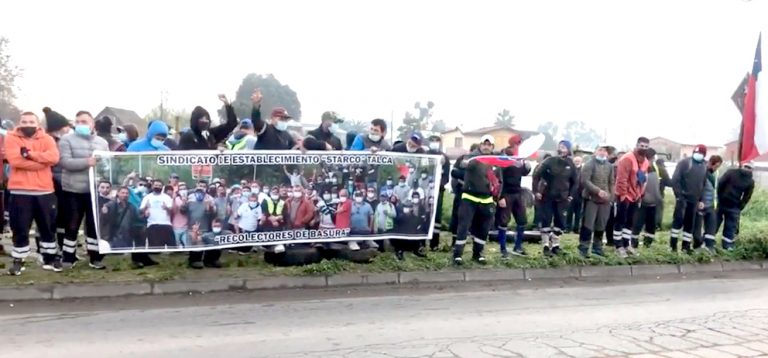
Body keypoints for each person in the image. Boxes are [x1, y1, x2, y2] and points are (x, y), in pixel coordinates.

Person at [178, 94, 237, 268]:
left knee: (214, 222)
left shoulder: (210, 135)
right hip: (196, 183)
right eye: (201, 119)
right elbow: (181, 158)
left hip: (211, 182)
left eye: (207, 118)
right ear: (195, 120)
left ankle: (212, 257)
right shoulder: (188, 137)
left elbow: (231, 124)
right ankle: (195, 258)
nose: (205, 121)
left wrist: (228, 105)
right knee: (198, 224)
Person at [5, 112, 61, 275]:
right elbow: (15, 161)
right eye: (24, 121)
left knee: (47, 226)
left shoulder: (48, 139)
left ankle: (50, 258)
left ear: (37, 124)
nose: (28, 124)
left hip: (44, 190)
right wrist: (42, 163)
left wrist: (30, 155)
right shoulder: (11, 138)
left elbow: (54, 158)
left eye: (31, 121)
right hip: (19, 190)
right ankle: (19, 260)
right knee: (20, 227)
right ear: (19, 123)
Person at [58, 111, 109, 269]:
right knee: (72, 224)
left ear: (93, 124)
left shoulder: (102, 142)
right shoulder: (66, 140)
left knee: (94, 225)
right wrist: (88, 162)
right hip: (73, 189)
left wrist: (105, 167)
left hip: (94, 190)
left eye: (85, 121)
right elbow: (65, 162)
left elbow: (107, 164)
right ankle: (68, 256)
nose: (81, 124)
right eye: (78, 121)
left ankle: (95, 258)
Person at [125, 120, 170, 266]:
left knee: (146, 230)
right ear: (150, 134)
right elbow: (128, 162)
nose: (160, 141)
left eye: (163, 138)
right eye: (158, 137)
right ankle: (136, 258)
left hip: (151, 194)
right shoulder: (135, 146)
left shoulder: (165, 151)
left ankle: (144, 256)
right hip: (138, 196)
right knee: (137, 229)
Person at [452, 135, 499, 265]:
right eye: (484, 144)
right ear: (480, 145)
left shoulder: (495, 161)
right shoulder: (472, 157)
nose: (486, 146)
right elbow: (461, 165)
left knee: (483, 228)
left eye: (489, 145)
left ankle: (478, 254)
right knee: (463, 227)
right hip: (469, 198)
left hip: (487, 199)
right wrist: (464, 164)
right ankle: (457, 255)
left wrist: (498, 196)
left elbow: (500, 180)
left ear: (492, 147)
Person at [533, 140, 578, 256]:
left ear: (568, 150)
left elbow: (575, 182)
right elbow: (536, 175)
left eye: (564, 147)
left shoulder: (570, 164)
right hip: (547, 196)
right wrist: (536, 191)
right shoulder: (549, 161)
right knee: (546, 220)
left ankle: (556, 246)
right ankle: (545, 246)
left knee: (560, 222)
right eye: (560, 146)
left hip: (562, 198)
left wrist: (570, 196)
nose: (561, 149)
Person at [495, 134, 532, 258]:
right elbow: (498, 178)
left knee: (522, 220)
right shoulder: (503, 157)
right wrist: (499, 197)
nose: (520, 145)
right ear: (512, 144)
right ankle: (503, 249)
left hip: (518, 192)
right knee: (504, 221)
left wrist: (526, 164)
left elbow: (525, 172)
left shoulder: (519, 157)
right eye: (518, 143)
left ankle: (518, 246)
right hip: (506, 193)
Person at [613, 137, 651, 258]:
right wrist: (623, 195)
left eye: (646, 146)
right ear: (636, 145)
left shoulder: (645, 161)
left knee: (630, 221)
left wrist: (640, 195)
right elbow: (621, 179)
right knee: (620, 220)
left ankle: (626, 244)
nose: (643, 148)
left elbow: (643, 180)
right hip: (625, 195)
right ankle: (618, 246)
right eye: (641, 146)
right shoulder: (627, 159)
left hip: (636, 195)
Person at [43, 107, 71, 258]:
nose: (68, 129)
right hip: (51, 185)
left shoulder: (62, 141)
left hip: (62, 185)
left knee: (63, 218)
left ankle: (61, 247)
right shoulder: (48, 142)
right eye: (66, 126)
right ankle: (46, 251)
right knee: (49, 219)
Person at [670, 144, 708, 254]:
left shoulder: (704, 166)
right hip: (682, 199)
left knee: (689, 224)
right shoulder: (685, 163)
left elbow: (703, 184)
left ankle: (686, 247)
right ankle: (672, 246)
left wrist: (701, 200)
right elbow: (675, 180)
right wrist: (679, 196)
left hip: (694, 200)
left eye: (700, 153)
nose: (698, 155)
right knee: (677, 222)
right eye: (696, 152)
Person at [579, 144, 614, 257]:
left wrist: (610, 196)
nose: (602, 152)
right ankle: (583, 247)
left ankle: (597, 247)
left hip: (605, 201)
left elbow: (611, 182)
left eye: (605, 151)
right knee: (588, 224)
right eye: (600, 150)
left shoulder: (609, 166)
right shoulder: (589, 164)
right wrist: (597, 191)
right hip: (591, 199)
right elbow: (585, 181)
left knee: (601, 224)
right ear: (595, 152)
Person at [716, 162, 754, 250]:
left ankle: (720, 245)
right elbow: (747, 196)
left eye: (748, 167)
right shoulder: (747, 179)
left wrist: (740, 206)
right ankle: (720, 245)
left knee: (723, 225)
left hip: (729, 204)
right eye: (747, 167)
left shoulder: (733, 173)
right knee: (722, 225)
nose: (747, 169)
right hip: (728, 204)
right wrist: (740, 206)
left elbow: (747, 195)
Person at [449, 143, 480, 246]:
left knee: (473, 216)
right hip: (461, 191)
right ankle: (455, 240)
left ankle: (471, 236)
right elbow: (454, 173)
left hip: (475, 193)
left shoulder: (481, 161)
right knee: (457, 216)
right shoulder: (462, 159)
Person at [631, 148, 663, 249]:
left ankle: (647, 245)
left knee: (651, 227)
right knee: (637, 225)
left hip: (653, 202)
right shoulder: (640, 168)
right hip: (642, 202)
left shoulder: (655, 168)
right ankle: (633, 244)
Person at [692, 155, 723, 252]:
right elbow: (696, 187)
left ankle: (709, 247)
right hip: (701, 205)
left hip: (710, 205)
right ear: (710, 163)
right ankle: (697, 246)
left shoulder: (713, 174)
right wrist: (698, 201)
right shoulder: (702, 172)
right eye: (716, 166)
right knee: (697, 229)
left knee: (711, 228)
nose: (716, 169)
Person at [427, 135, 450, 250]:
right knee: (424, 214)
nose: (434, 143)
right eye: (432, 141)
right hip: (426, 190)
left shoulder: (444, 157)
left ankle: (434, 244)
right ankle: (420, 243)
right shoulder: (424, 155)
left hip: (438, 192)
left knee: (437, 217)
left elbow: (446, 177)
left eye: (437, 141)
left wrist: (439, 185)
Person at [186, 180, 217, 267]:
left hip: (205, 226)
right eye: (200, 186)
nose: (201, 189)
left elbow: (214, 214)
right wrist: (184, 203)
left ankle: (207, 261)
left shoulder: (210, 199)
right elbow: (184, 211)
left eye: (203, 187)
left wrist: (209, 208)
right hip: (192, 226)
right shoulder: (190, 199)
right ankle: (193, 261)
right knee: (194, 243)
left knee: (205, 244)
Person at [139, 179, 176, 249]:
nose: (157, 187)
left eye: (159, 185)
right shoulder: (147, 197)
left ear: (162, 187)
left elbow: (172, 211)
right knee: (155, 250)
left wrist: (166, 208)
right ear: (152, 186)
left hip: (166, 225)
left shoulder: (166, 197)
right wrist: (145, 209)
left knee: (172, 249)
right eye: (156, 185)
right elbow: (141, 209)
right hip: (152, 225)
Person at [566, 155, 584, 233]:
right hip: (571, 194)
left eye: (578, 161)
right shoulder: (570, 170)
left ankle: (576, 228)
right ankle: (568, 227)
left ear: (581, 162)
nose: (577, 162)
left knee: (578, 213)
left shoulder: (583, 170)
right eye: (576, 161)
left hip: (580, 195)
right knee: (569, 212)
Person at [172, 183, 190, 248]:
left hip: (186, 227)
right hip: (176, 226)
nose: (183, 190)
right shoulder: (176, 199)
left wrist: (185, 202)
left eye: (184, 189)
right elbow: (174, 211)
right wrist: (174, 199)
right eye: (181, 189)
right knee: (177, 244)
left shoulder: (190, 199)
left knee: (187, 245)